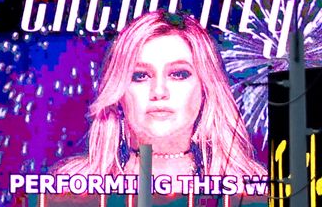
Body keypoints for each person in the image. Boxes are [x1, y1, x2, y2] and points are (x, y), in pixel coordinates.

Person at [54, 10, 265, 179]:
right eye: (140, 76)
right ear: (118, 94)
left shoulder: (248, 186)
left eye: (179, 74)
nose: (159, 92)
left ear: (205, 89)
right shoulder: (72, 185)